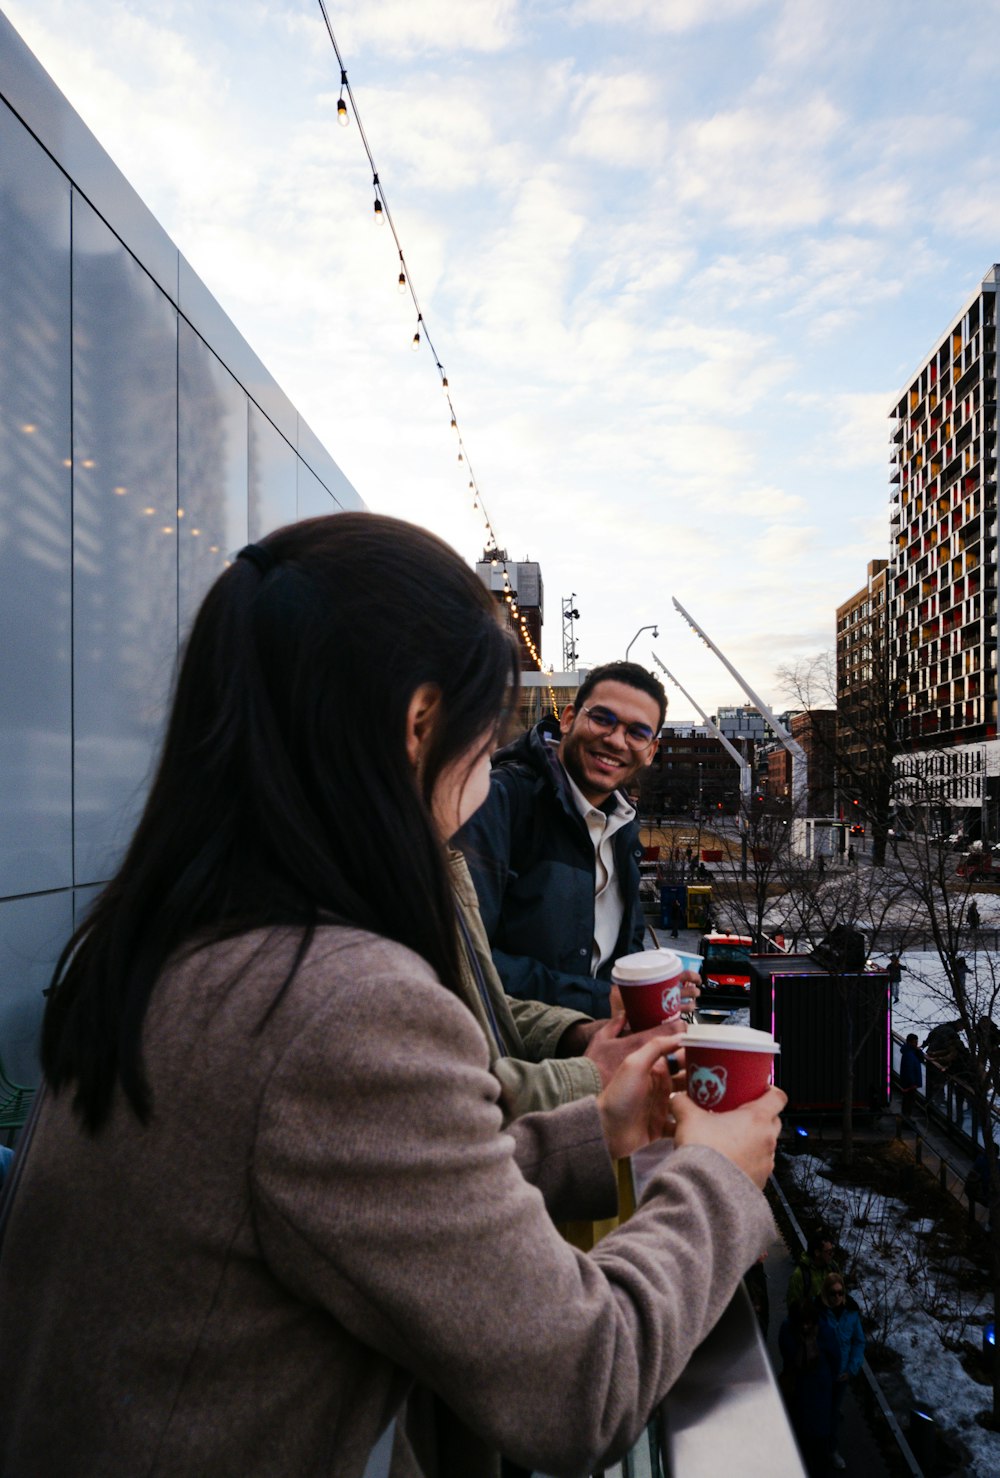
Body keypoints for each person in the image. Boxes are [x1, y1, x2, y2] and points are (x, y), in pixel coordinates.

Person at [0, 514, 784, 1478]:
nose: (491, 759)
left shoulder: (176, 937)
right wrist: (713, 1175)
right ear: (421, 724)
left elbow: (360, 1180)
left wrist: (600, 1126)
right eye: (486, 724)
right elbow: (584, 1380)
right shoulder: (333, 1003)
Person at [457, 660, 672, 1017]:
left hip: (597, 1057)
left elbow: (624, 950)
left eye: (637, 733)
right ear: (569, 719)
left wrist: (656, 983)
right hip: (513, 1060)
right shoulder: (501, 801)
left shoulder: (623, 827)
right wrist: (596, 1002)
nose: (616, 740)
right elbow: (464, 954)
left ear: (650, 751)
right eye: (602, 718)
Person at [778, 1301, 839, 1477]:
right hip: (798, 1391)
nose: (805, 1327)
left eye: (808, 1322)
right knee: (801, 1440)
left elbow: (835, 1359)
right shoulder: (788, 1330)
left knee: (819, 1443)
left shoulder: (825, 1332)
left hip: (818, 1393)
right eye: (801, 1323)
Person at [816, 1272, 865, 1470]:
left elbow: (859, 1341)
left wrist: (852, 1369)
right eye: (832, 1293)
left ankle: (831, 1448)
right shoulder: (817, 1311)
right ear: (825, 1294)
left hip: (841, 1374)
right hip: (821, 1373)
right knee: (820, 1410)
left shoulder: (851, 1313)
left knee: (833, 1412)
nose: (837, 1297)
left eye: (840, 1293)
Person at [786, 1230, 840, 1311]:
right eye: (828, 1252)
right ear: (817, 1252)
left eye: (832, 1251)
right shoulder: (800, 1275)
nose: (832, 1254)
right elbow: (793, 1307)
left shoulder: (833, 1267)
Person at [899, 1033, 922, 1122]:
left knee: (908, 1100)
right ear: (909, 1042)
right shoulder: (909, 1054)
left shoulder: (911, 1052)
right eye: (914, 1042)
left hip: (910, 1082)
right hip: (910, 1083)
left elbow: (920, 1059)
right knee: (909, 1101)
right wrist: (912, 1083)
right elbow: (909, 1069)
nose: (916, 1044)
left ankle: (906, 1117)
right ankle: (906, 1118)